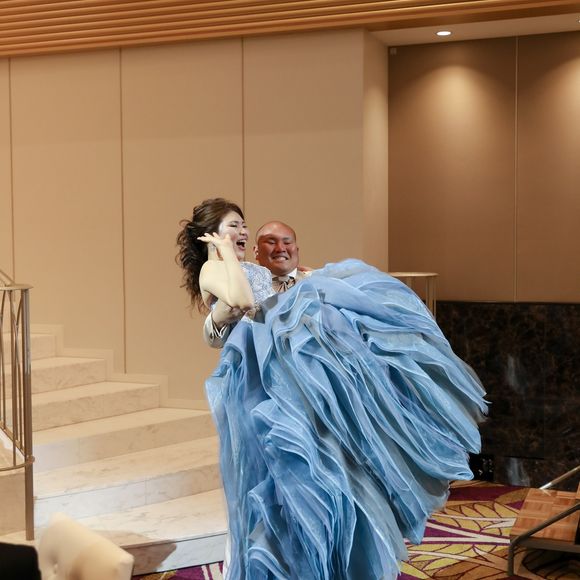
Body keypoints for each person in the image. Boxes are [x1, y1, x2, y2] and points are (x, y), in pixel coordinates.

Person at [177, 198, 487, 580]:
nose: (241, 232)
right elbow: (235, 308)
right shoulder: (217, 269)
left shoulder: (258, 271)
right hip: (265, 392)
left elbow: (274, 299)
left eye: (243, 225)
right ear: (212, 235)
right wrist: (225, 262)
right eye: (233, 226)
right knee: (280, 484)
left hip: (298, 390)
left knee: (326, 478)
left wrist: (311, 285)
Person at [202, 219, 309, 348]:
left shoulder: (315, 282)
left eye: (287, 242)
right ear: (256, 252)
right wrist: (218, 320)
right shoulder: (241, 280)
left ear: (297, 250)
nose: (281, 248)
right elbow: (216, 339)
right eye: (271, 242)